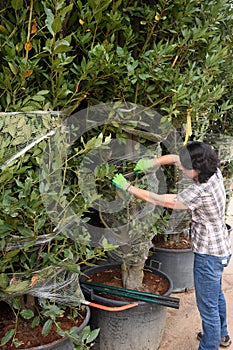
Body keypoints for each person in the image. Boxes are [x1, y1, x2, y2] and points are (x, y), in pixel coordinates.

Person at [112, 141, 232, 350]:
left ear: (195, 169)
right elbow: (177, 159)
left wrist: (129, 188)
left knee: (207, 307)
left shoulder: (199, 192)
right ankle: (222, 335)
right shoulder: (212, 170)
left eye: (185, 168)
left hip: (208, 255)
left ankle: (209, 345)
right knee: (215, 296)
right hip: (221, 247)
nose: (181, 168)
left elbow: (162, 200)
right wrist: (151, 162)